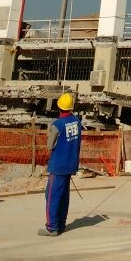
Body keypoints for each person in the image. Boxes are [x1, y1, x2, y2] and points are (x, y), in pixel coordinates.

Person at [39, 92, 82, 236]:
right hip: (71, 164)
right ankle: (61, 224)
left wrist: (50, 132)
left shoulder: (57, 125)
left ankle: (52, 227)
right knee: (63, 195)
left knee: (52, 195)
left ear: (59, 107)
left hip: (58, 165)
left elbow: (50, 146)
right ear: (71, 107)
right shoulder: (76, 121)